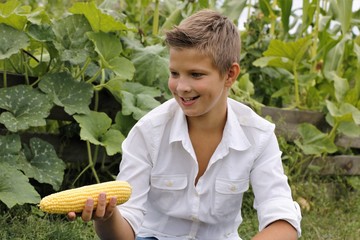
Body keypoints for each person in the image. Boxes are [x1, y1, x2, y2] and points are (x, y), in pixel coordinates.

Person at [68, 9, 302, 240]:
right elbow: (124, 233)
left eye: (196, 75)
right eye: (174, 73)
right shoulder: (148, 132)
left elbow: (283, 222)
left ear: (230, 74)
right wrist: (107, 217)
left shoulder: (258, 136)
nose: (181, 87)